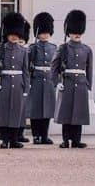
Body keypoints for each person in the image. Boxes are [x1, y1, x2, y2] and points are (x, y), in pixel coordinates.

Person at [52, 10, 92, 148]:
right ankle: (65, 140)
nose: (77, 33)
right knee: (66, 113)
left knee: (78, 114)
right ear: (68, 32)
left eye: (79, 31)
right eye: (74, 31)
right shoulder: (63, 48)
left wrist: (88, 84)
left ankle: (76, 140)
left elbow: (89, 69)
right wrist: (57, 83)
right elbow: (54, 67)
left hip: (80, 84)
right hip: (67, 82)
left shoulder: (86, 49)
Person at [0, 12, 29, 149]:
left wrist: (26, 88)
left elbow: (25, 71)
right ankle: (5, 140)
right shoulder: (1, 49)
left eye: (16, 34)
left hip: (18, 84)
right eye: (11, 34)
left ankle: (14, 139)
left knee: (16, 112)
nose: (13, 36)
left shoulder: (23, 51)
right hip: (4, 83)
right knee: (4, 112)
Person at [27, 12, 56, 144]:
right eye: (42, 32)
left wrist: (57, 81)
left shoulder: (54, 48)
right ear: (37, 33)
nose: (45, 35)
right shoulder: (32, 48)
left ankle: (44, 135)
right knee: (36, 109)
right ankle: (36, 135)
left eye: (47, 32)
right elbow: (27, 65)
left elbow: (56, 66)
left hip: (49, 80)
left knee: (47, 109)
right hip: (36, 80)